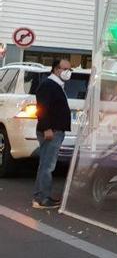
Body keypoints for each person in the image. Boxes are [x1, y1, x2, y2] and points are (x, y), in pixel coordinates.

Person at [32, 59, 72, 209]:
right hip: (51, 131)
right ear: (56, 69)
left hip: (55, 130)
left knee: (45, 165)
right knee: (47, 166)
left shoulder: (57, 85)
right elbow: (42, 108)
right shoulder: (49, 85)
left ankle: (41, 196)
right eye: (65, 69)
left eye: (70, 69)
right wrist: (47, 128)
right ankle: (42, 198)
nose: (68, 72)